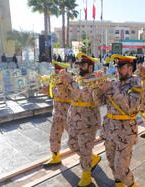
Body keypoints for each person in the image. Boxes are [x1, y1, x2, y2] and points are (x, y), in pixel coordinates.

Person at [92, 55, 142, 187]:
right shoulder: (115, 83)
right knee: (112, 163)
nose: (118, 70)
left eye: (121, 67)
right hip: (110, 130)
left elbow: (131, 108)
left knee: (121, 169)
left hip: (125, 133)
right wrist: (97, 86)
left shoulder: (136, 85)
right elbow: (99, 102)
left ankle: (132, 185)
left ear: (130, 68)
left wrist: (111, 89)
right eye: (117, 67)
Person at [60, 53, 102, 186]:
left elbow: (83, 95)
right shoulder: (77, 79)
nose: (79, 68)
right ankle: (92, 158)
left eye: (82, 65)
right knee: (72, 144)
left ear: (90, 67)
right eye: (78, 65)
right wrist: (61, 82)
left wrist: (70, 82)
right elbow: (66, 94)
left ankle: (86, 176)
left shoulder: (94, 80)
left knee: (85, 148)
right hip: (74, 119)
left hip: (88, 121)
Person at [39, 60, 71, 168]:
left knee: (75, 139)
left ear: (63, 70)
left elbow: (67, 94)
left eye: (57, 70)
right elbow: (53, 93)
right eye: (55, 70)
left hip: (67, 114)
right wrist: (45, 91)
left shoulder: (69, 80)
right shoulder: (55, 79)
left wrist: (51, 91)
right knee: (54, 136)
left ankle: (90, 157)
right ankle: (55, 157)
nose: (55, 72)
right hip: (57, 113)